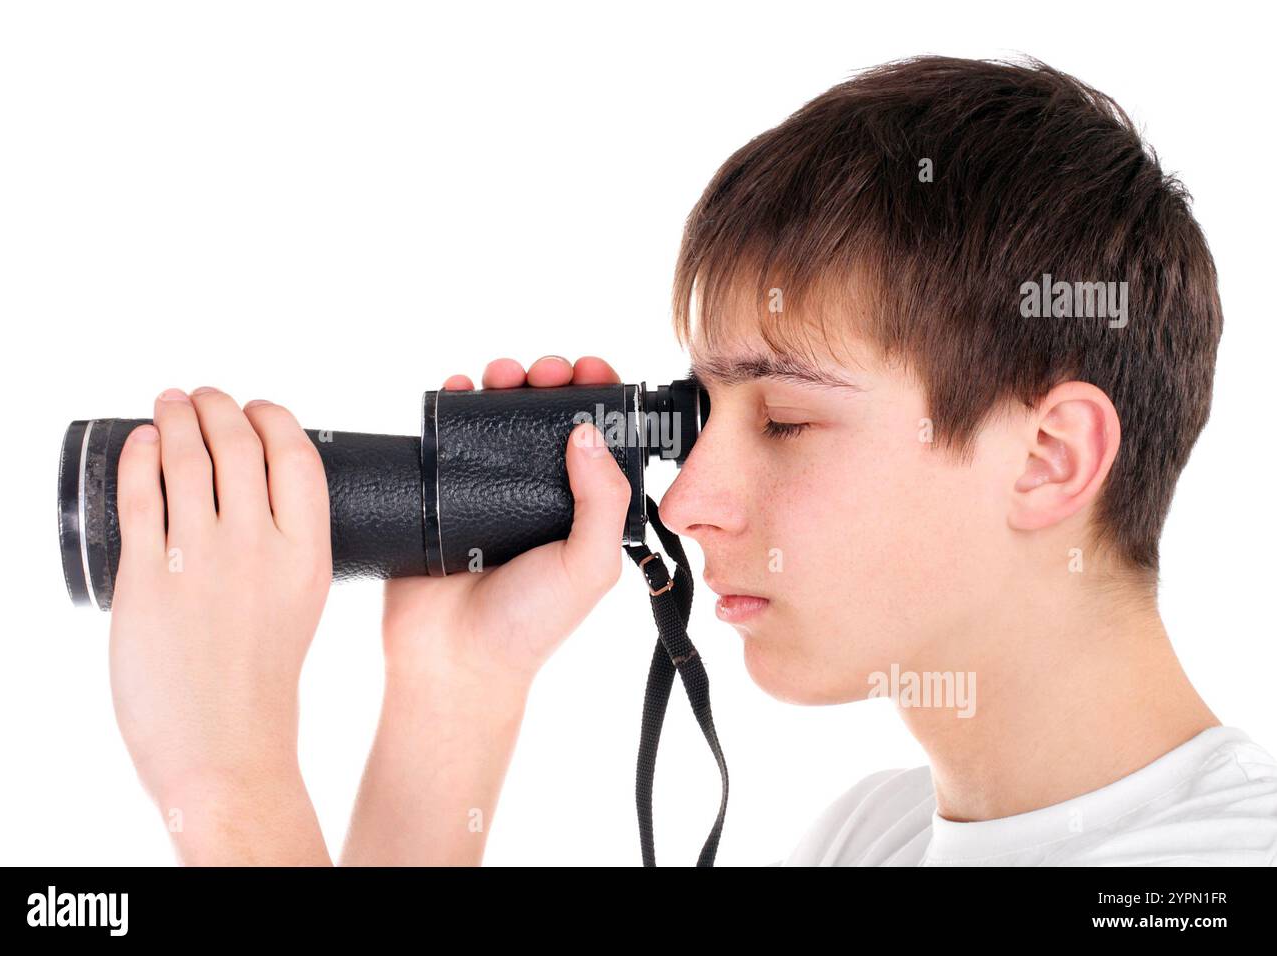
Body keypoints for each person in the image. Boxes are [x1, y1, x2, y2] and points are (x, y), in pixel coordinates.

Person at [105, 56, 1277, 866]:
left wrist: (229, 793)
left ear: (1047, 457)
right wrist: (452, 693)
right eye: (694, 413)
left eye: (782, 420)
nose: (690, 498)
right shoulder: (866, 838)